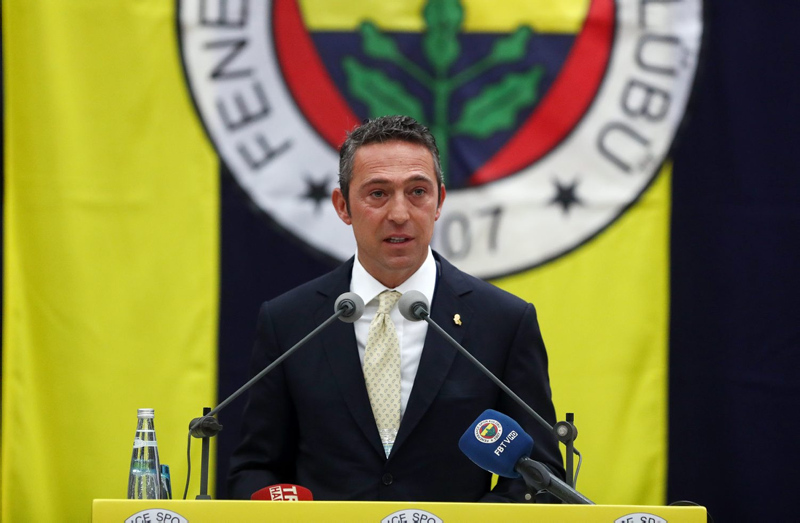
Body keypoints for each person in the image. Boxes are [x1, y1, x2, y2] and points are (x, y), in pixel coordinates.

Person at [227, 115, 564, 501]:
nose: (400, 214)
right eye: (378, 193)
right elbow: (256, 467)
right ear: (343, 206)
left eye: (417, 192)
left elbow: (540, 473)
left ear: (439, 202)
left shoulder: (502, 321)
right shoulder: (290, 321)